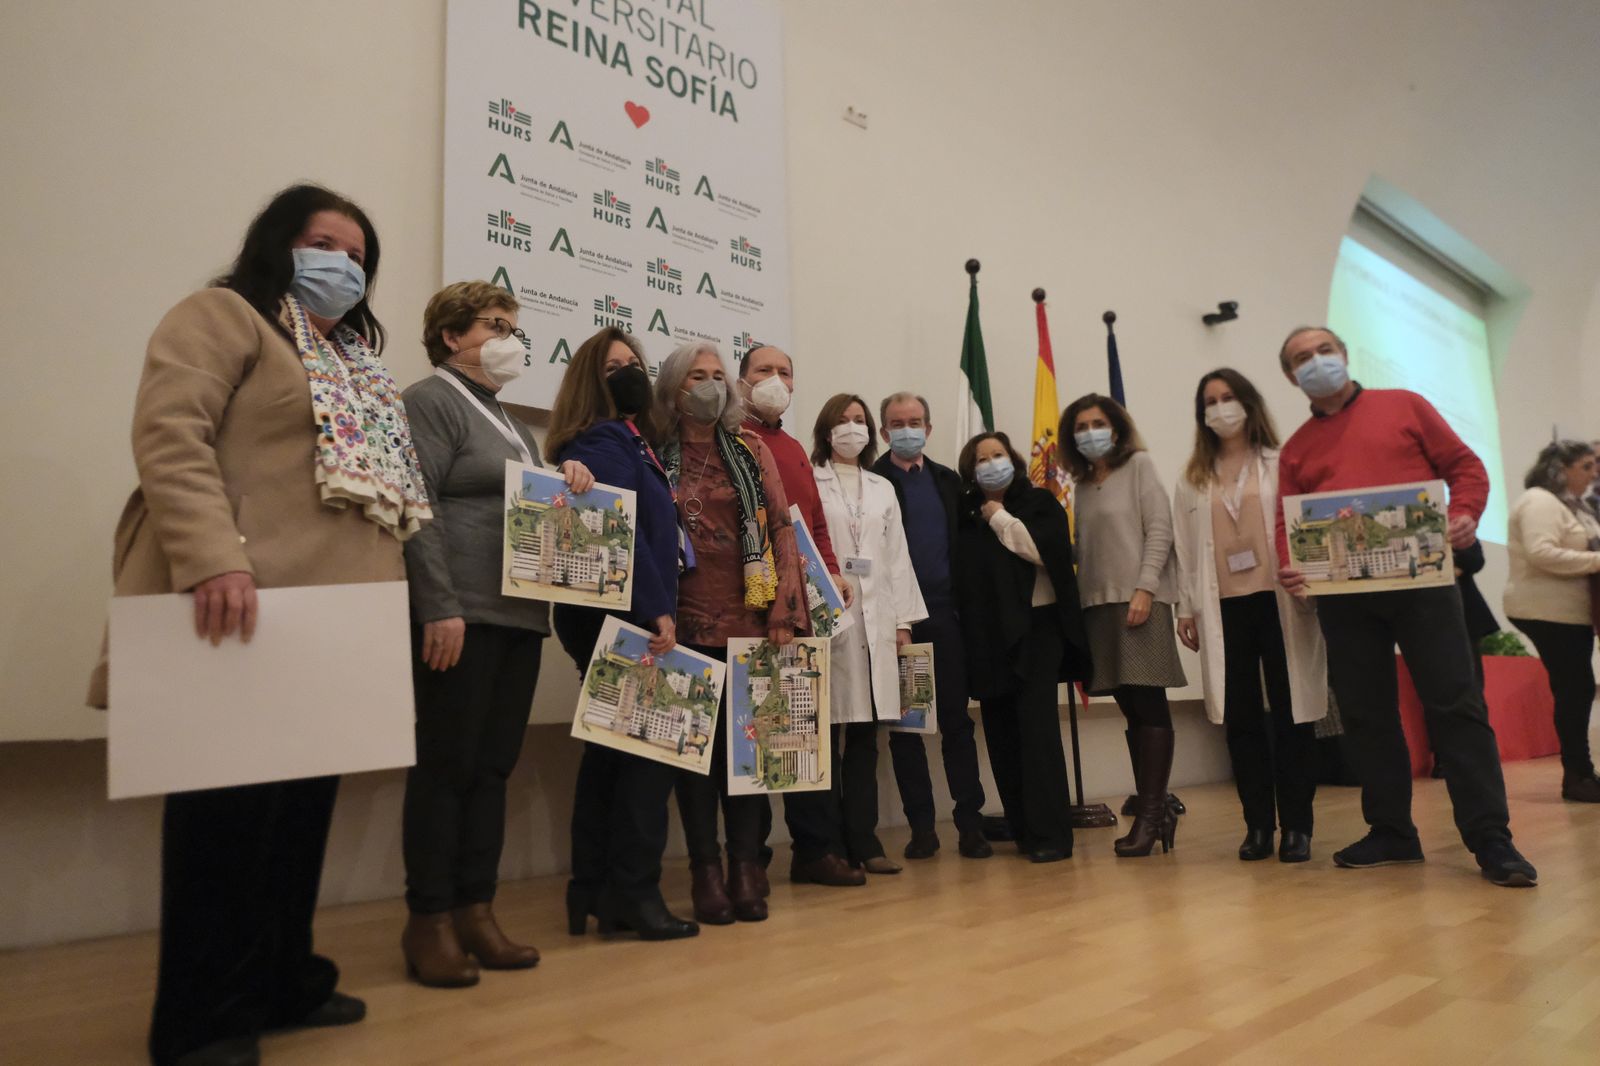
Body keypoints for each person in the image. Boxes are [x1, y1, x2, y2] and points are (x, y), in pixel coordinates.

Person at [87, 185, 432, 1066]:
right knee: (225, 825)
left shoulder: (353, 358)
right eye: (324, 243)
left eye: (359, 255)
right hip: (239, 604)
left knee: (297, 819)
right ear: (278, 246)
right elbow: (171, 433)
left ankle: (283, 979)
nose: (343, 265)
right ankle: (202, 1022)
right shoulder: (222, 316)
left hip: (332, 625)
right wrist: (213, 557)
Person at [1274, 325, 1536, 886]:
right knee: (1367, 715)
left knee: (1455, 706)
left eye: (1323, 351)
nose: (1315, 362)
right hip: (1345, 598)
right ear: (1291, 377)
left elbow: (1465, 468)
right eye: (1302, 358)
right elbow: (1286, 521)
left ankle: (1491, 837)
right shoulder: (1296, 449)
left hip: (1425, 585)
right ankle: (1392, 830)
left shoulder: (1406, 407)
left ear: (1343, 355)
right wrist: (1291, 565)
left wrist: (1463, 514)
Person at [398, 282, 595, 986]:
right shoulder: (431, 400)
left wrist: (565, 475)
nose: (510, 337)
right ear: (452, 336)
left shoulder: (511, 420)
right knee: (446, 769)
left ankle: (476, 910)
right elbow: (413, 503)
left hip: (518, 616)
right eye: (494, 324)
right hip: (461, 615)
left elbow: (530, 505)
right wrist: (438, 606)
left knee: (491, 770)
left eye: (514, 325)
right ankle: (429, 920)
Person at [545, 327, 699, 939]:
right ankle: (634, 895)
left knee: (612, 759)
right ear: (591, 378)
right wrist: (656, 610)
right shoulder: (607, 439)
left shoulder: (636, 441)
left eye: (635, 362)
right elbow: (621, 534)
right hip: (629, 616)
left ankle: (596, 891)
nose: (631, 372)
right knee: (644, 760)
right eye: (615, 366)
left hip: (620, 615)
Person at [657, 341, 810, 924]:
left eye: (719, 376)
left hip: (750, 620)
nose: (711, 385)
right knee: (695, 761)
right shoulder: (654, 450)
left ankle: (747, 866)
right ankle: (706, 870)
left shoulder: (749, 449)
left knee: (749, 757)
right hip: (680, 622)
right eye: (698, 376)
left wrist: (786, 612)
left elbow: (780, 529)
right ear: (674, 387)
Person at [1173, 370, 1327, 863]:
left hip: (1281, 602)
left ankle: (1297, 827)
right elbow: (1182, 549)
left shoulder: (1282, 463)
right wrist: (1185, 608)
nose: (1220, 408)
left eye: (1228, 398)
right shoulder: (1193, 477)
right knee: (1240, 719)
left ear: (1249, 403)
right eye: (1210, 401)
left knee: (1292, 713)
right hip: (1223, 608)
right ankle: (1257, 825)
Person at [736, 344, 864, 888]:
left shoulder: (792, 449)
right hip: (751, 607)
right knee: (758, 732)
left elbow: (813, 524)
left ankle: (814, 850)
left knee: (805, 731)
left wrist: (833, 573)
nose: (775, 379)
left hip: (805, 609)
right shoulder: (732, 440)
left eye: (784, 372)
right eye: (763, 370)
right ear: (742, 381)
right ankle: (752, 858)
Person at [954, 431, 1092, 862]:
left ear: (1013, 460)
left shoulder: (1039, 504)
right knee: (1001, 733)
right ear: (970, 470)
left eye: (999, 454)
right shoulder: (964, 514)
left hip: (1037, 631)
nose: (992, 463)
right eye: (982, 458)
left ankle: (1053, 834)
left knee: (1037, 732)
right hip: (988, 636)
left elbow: (1045, 553)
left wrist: (999, 516)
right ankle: (1024, 830)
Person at [1060, 394, 1187, 857]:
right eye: (1080, 426)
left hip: (1138, 602)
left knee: (1148, 703)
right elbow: (1083, 548)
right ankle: (1158, 811)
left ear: (1116, 428)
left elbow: (1160, 529)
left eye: (1097, 423)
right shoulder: (1080, 483)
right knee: (1131, 708)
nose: (1089, 432)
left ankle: (1151, 815)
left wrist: (1146, 588)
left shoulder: (1139, 467)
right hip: (1097, 606)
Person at [873, 393, 994, 859]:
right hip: (899, 625)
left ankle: (970, 825)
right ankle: (921, 828)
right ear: (884, 433)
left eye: (916, 421)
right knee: (907, 730)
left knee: (957, 724)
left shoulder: (950, 482)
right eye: (897, 423)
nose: (908, 428)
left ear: (929, 426)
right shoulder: (874, 482)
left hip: (947, 619)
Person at [811, 394, 928, 873]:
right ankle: (827, 844)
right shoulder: (810, 478)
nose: (852, 428)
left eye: (859, 421)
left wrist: (902, 623)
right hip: (829, 624)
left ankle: (865, 841)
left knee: (863, 739)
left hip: (876, 625)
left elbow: (897, 556)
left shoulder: (881, 486)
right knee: (822, 736)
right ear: (826, 428)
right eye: (843, 420)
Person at [1503, 440, 1600, 803]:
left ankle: (1581, 773)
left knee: (1575, 690)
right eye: (1586, 466)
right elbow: (1541, 553)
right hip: (1546, 610)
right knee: (1574, 690)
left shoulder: (1572, 505)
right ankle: (1577, 776)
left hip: (1568, 613)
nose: (1593, 474)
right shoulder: (1539, 502)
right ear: (1561, 469)